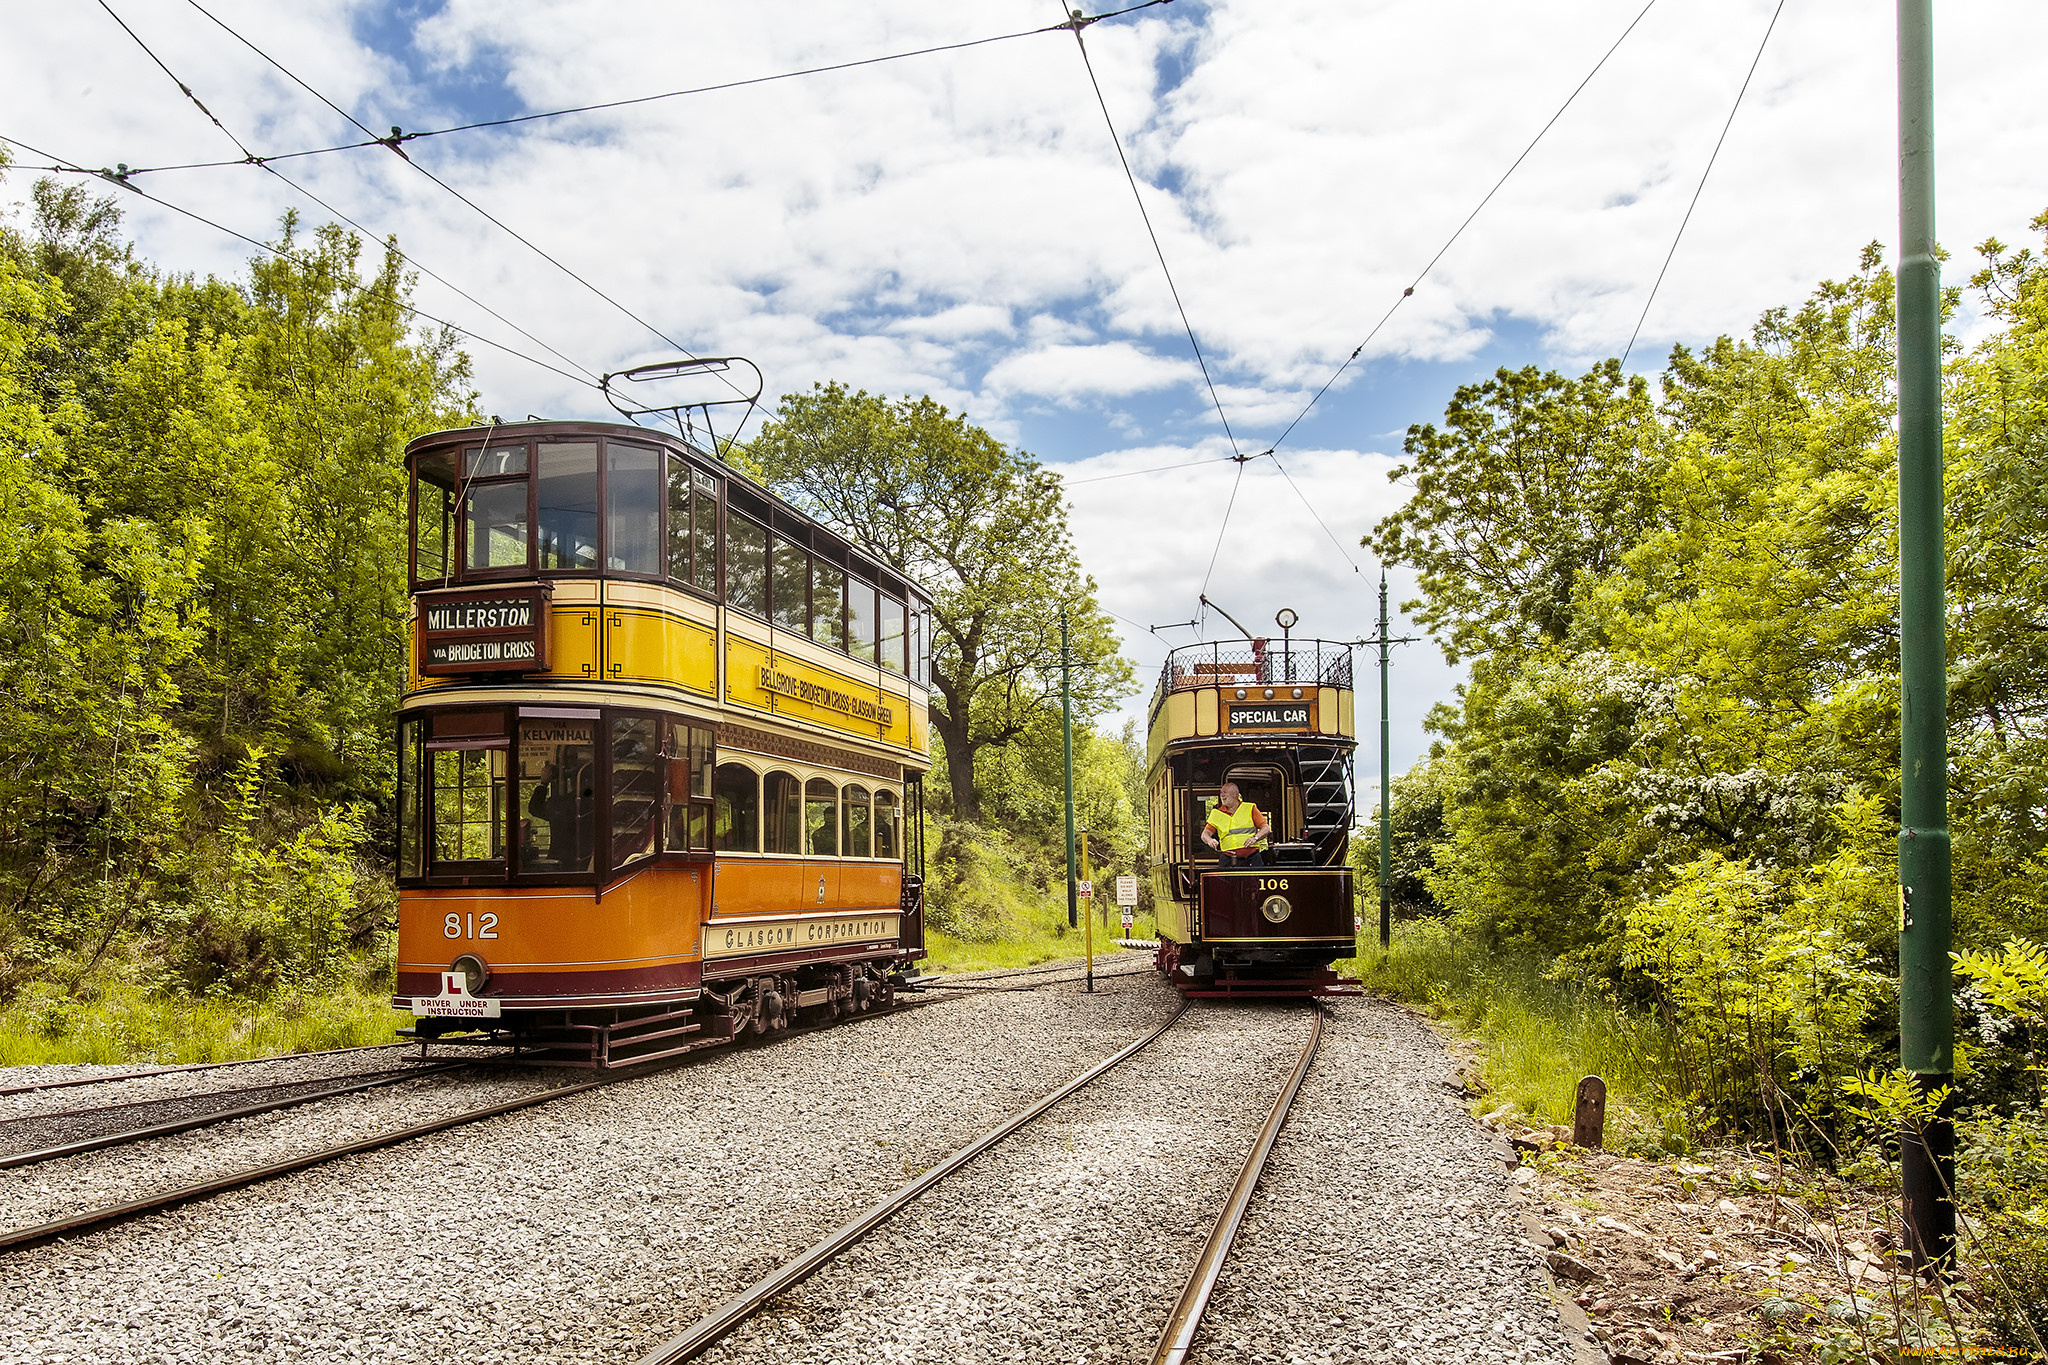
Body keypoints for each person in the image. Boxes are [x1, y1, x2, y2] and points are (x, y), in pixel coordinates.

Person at [1200, 781, 1271, 868]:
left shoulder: (1249, 808)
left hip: (1251, 858)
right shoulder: (1216, 813)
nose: (1222, 795)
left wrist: (1255, 838)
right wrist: (1210, 840)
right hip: (1227, 859)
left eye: (1225, 792)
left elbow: (1266, 828)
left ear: (1235, 794)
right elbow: (1205, 834)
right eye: (1221, 793)